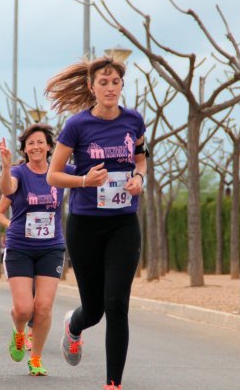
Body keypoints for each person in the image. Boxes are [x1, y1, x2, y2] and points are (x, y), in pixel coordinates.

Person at [45, 56, 147, 390]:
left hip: (123, 223)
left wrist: (139, 179)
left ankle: (112, 384)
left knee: (117, 303)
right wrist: (85, 181)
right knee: (95, 309)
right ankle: (74, 326)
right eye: (102, 83)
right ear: (91, 87)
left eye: (114, 82)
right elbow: (54, 174)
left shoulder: (134, 121)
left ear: (121, 86)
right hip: (85, 224)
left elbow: (141, 158)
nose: (109, 88)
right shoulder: (77, 125)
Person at [0, 124, 74, 376]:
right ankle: (19, 332)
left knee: (44, 307)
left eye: (40, 142)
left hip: (51, 247)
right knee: (25, 309)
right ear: (25, 149)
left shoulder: (59, 172)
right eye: (31, 143)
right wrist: (6, 167)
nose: (36, 147)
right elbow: (7, 189)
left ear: (49, 147)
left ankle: (36, 358)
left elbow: (86, 175)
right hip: (20, 247)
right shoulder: (19, 172)